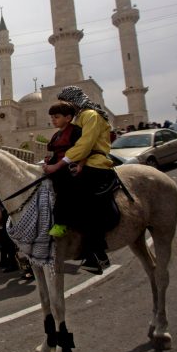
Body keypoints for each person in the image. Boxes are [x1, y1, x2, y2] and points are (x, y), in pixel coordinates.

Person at [43, 86, 115, 275]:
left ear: (74, 100)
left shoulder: (90, 115)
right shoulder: (79, 119)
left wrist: (60, 164)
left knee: (80, 199)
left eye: (66, 103)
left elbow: (86, 144)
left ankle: (98, 254)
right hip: (83, 161)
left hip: (97, 164)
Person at [43, 102, 83, 239]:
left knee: (63, 186)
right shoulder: (56, 135)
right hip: (58, 166)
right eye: (52, 117)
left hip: (70, 167)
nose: (53, 120)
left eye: (56, 117)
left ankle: (61, 223)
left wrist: (80, 165)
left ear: (68, 118)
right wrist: (48, 163)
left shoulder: (76, 131)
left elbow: (81, 151)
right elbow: (56, 154)